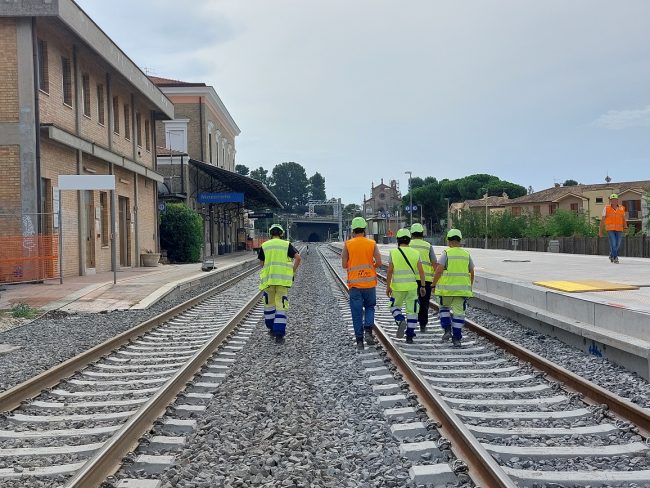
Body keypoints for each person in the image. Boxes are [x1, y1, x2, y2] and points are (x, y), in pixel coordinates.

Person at [341, 216, 382, 349]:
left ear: (353, 230)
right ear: (364, 230)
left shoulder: (348, 244)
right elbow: (379, 262)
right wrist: (371, 266)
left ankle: (359, 341)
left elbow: (343, 265)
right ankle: (368, 331)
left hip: (355, 285)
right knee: (370, 307)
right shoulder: (372, 243)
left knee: (356, 311)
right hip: (370, 284)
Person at [258, 224, 301, 344]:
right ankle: (279, 335)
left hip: (269, 281)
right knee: (281, 306)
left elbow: (261, 263)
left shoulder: (265, 245)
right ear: (281, 234)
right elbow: (298, 258)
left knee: (269, 305)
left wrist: (267, 269)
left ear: (270, 233)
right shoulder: (286, 245)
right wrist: (292, 270)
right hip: (282, 281)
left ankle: (271, 328)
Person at [432, 229, 474, 348]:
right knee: (459, 314)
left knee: (444, 308)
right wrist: (469, 287)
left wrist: (433, 284)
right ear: (460, 241)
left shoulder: (446, 253)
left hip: (446, 291)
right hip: (461, 291)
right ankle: (457, 339)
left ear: (448, 241)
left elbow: (439, 270)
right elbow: (472, 272)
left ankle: (447, 330)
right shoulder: (466, 254)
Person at [386, 228, 426, 344]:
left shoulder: (393, 253)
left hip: (398, 287)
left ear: (398, 240)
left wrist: (388, 286)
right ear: (409, 240)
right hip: (412, 287)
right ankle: (409, 336)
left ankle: (400, 319)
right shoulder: (416, 253)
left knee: (394, 306)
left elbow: (389, 271)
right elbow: (421, 271)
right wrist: (422, 286)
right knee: (412, 310)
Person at [409, 223, 437, 331]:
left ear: (411, 234)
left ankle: (411, 323)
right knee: (424, 303)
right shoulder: (428, 246)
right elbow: (434, 263)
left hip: (410, 279)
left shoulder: (408, 245)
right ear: (422, 233)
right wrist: (436, 280)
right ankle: (423, 325)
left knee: (411, 301)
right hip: (425, 280)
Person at [599, 193, 628, 264]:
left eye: (615, 200)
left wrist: (626, 227)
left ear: (617, 200)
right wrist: (600, 231)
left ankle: (611, 255)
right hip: (610, 229)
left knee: (617, 244)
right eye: (612, 200)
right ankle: (615, 257)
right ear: (610, 201)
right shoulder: (606, 208)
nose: (614, 201)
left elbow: (623, 219)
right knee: (613, 244)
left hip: (619, 229)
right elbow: (602, 220)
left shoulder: (622, 208)